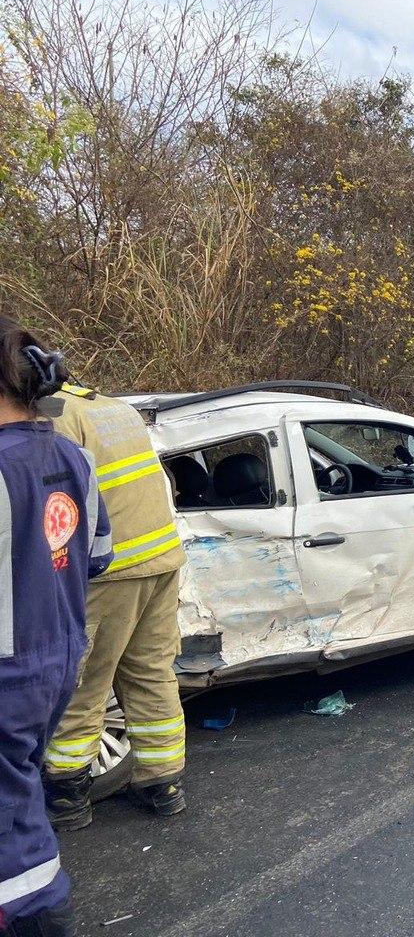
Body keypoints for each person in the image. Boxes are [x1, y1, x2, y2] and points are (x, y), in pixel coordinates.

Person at [0, 318, 112, 937]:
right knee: (18, 801)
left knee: (11, 825)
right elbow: (96, 556)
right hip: (56, 660)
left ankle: (38, 918)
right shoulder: (73, 457)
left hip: (7, 671)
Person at [41, 380, 188, 829]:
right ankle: (163, 786)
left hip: (111, 571)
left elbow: (56, 505)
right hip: (161, 559)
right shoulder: (112, 407)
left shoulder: (55, 418)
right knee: (150, 673)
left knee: (83, 682)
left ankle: (67, 798)